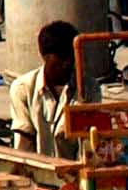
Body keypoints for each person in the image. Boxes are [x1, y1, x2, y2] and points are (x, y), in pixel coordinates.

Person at [5, 20, 77, 152]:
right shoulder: (22, 89)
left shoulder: (88, 88)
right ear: (45, 56)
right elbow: (24, 145)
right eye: (61, 58)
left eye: (71, 57)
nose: (67, 64)